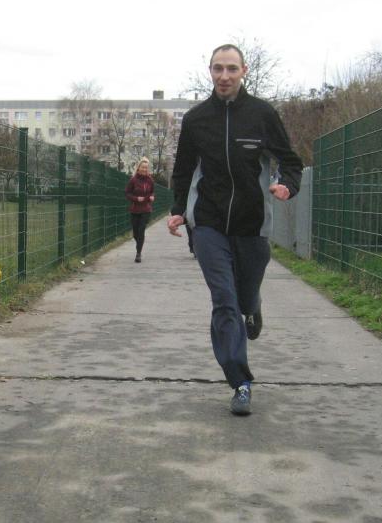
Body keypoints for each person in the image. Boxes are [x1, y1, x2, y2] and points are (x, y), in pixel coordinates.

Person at [167, 44, 302, 416]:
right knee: (224, 301)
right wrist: (178, 210)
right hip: (208, 224)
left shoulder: (262, 114)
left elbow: (290, 162)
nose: (224, 76)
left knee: (243, 298)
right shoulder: (196, 119)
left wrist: (287, 185)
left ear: (243, 71)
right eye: (217, 68)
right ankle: (240, 382)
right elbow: (183, 169)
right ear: (210, 71)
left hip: (251, 225)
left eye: (231, 68)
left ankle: (253, 306)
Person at [125, 157, 155, 263]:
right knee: (135, 233)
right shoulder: (133, 180)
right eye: (143, 167)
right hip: (135, 209)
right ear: (138, 168)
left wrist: (152, 197)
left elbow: (152, 192)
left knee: (141, 230)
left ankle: (138, 254)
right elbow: (127, 193)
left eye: (146, 168)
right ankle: (139, 244)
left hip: (146, 209)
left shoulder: (150, 180)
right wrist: (136, 198)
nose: (144, 169)